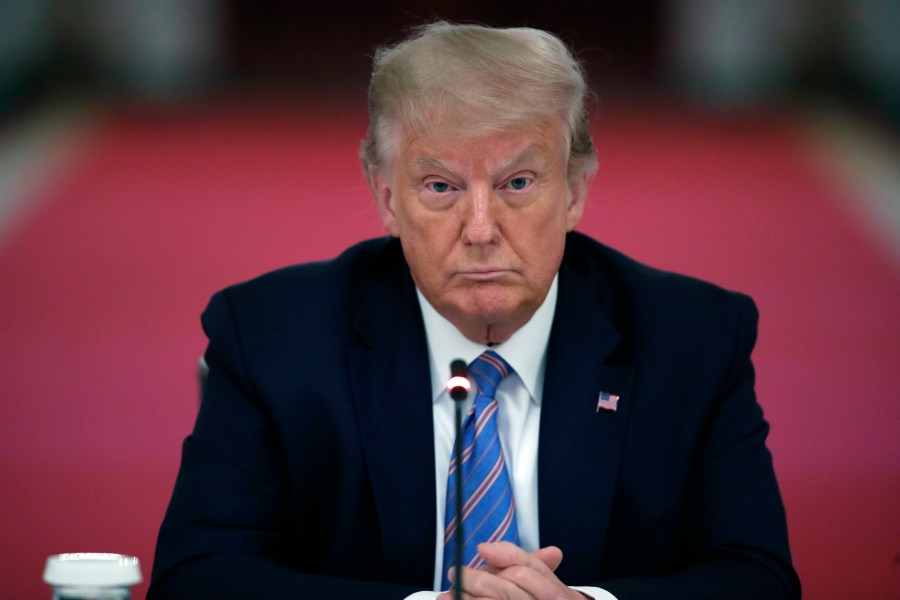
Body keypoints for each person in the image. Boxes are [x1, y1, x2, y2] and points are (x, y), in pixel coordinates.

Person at [148, 22, 801, 600]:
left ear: (574, 191)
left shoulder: (691, 339)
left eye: (518, 183)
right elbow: (197, 577)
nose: (481, 227)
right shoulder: (271, 338)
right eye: (441, 187)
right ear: (385, 197)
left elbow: (756, 578)